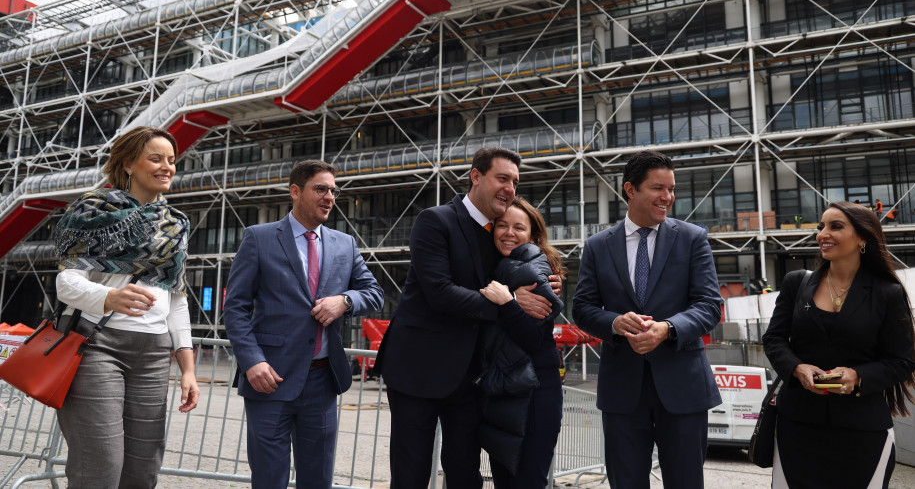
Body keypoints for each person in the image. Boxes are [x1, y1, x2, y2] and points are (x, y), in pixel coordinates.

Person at [374, 147, 558, 488]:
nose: (510, 188)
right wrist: (509, 303)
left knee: (464, 473)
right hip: (418, 369)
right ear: (476, 177)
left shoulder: (498, 232)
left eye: (515, 182)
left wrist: (546, 282)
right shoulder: (435, 220)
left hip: (470, 378)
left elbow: (527, 265)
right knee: (411, 472)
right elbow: (439, 292)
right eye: (502, 178)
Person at [223, 160, 384, 489]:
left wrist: (345, 301)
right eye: (321, 189)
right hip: (269, 381)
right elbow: (235, 308)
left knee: (318, 480)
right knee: (269, 480)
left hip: (322, 384)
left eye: (334, 191)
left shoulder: (344, 244)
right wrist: (252, 362)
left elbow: (375, 293)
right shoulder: (259, 238)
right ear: (295, 191)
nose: (330, 197)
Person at [53, 126, 199, 488]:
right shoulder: (92, 211)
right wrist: (109, 297)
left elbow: (176, 299)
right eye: (156, 159)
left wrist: (188, 369)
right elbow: (65, 282)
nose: (167, 167)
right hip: (96, 346)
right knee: (99, 467)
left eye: (171, 161)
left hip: (153, 354)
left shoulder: (176, 226)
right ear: (129, 164)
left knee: (142, 470)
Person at [573, 150, 722, 489]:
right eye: (658, 188)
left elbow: (710, 305)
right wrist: (614, 322)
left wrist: (668, 329)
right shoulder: (597, 246)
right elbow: (582, 307)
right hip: (623, 391)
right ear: (630, 189)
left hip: (683, 387)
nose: (667, 197)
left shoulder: (692, 238)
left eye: (671, 189)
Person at [762, 201, 915, 489]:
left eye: (835, 226)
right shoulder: (797, 283)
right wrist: (796, 368)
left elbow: (902, 361)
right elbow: (774, 338)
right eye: (821, 226)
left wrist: (858, 377)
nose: (822, 233)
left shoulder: (888, 293)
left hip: (861, 432)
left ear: (862, 237)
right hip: (797, 426)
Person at [478, 197, 566, 488]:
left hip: (535, 391)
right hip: (506, 387)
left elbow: (532, 338)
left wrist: (507, 303)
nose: (509, 233)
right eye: (502, 225)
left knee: (528, 479)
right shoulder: (500, 267)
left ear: (533, 235)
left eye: (519, 227)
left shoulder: (535, 269)